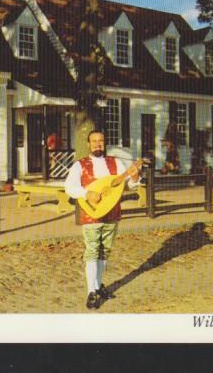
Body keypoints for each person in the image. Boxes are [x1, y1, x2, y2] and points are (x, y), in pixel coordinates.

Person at [64, 130, 141, 309]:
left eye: (101, 141)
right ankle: (91, 291)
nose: (98, 144)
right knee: (92, 249)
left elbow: (129, 184)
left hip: (112, 211)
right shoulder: (80, 165)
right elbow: (69, 187)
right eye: (94, 141)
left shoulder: (115, 163)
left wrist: (135, 175)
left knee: (105, 250)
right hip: (91, 214)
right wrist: (86, 193)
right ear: (88, 144)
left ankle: (98, 286)